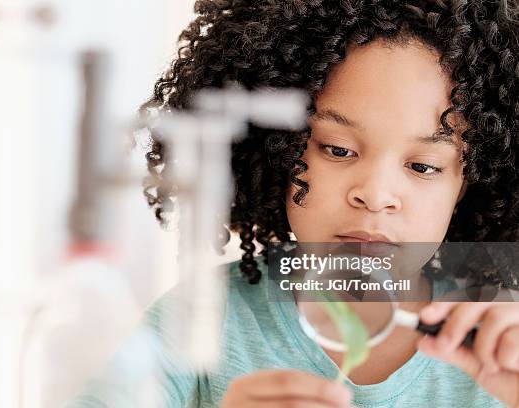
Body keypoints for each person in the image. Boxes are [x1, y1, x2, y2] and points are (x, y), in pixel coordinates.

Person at [66, 0, 519, 407]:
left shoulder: (504, 348)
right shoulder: (195, 326)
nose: (375, 196)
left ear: (470, 182)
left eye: (423, 167)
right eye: (338, 149)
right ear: (276, 149)